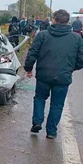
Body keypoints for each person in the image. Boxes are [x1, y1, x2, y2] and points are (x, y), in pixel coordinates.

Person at [25, 9, 83, 139]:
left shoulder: (42, 35)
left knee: (40, 98)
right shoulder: (76, 38)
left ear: (54, 20)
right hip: (63, 77)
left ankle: (37, 121)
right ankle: (51, 131)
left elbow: (32, 53)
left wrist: (28, 68)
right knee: (57, 104)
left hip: (43, 75)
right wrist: (70, 68)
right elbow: (81, 60)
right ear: (68, 22)